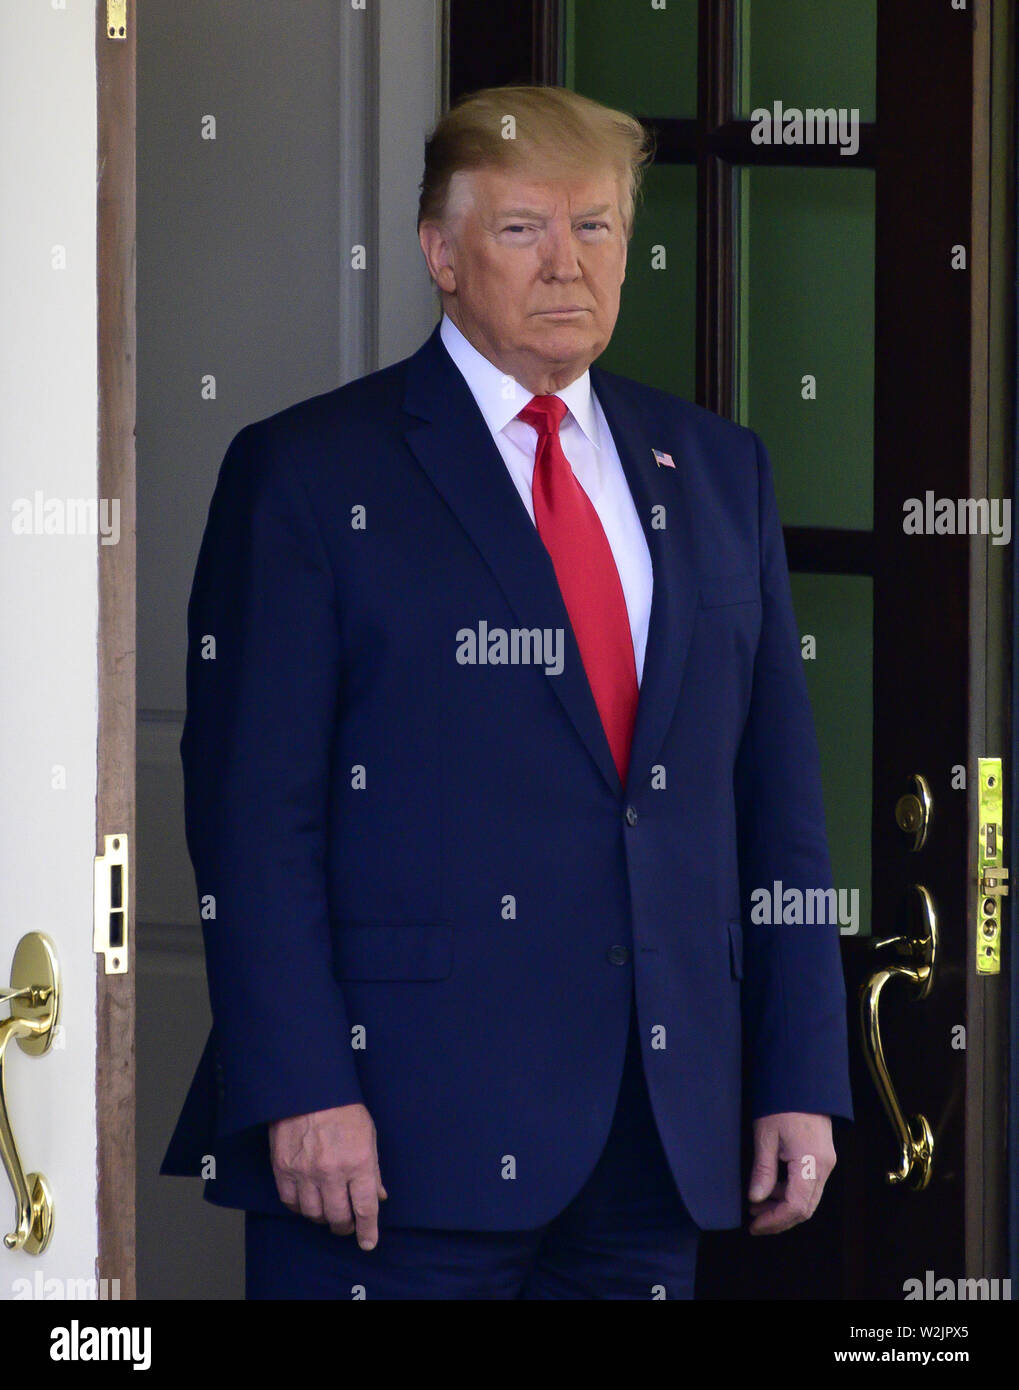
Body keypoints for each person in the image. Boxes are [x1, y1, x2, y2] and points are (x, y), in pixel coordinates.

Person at [161, 84, 853, 1300]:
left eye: (593, 227)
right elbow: (250, 819)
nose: (565, 264)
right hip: (388, 1141)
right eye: (522, 228)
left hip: (654, 1139)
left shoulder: (714, 470)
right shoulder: (309, 475)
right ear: (438, 252)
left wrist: (797, 1070)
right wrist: (303, 1083)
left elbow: (776, 806)